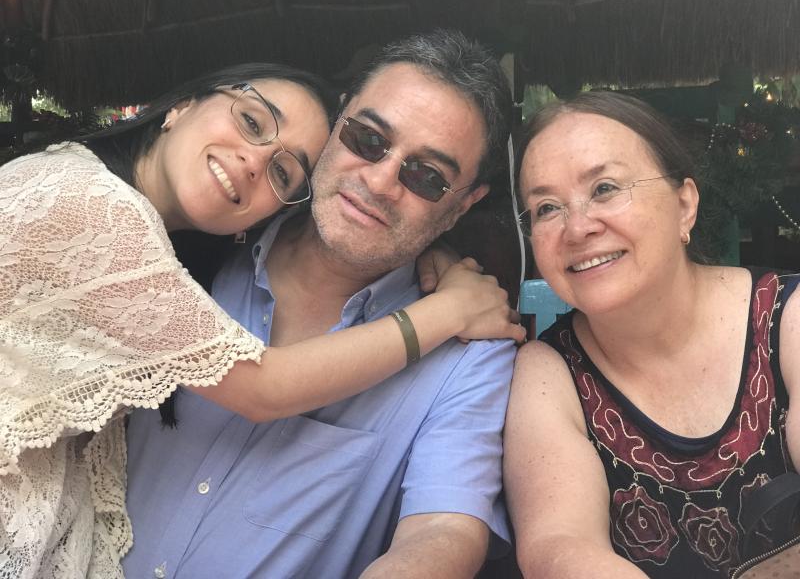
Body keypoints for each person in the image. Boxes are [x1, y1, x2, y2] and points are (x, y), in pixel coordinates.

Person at [0, 62, 523, 578]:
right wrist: (446, 310)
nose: (381, 180)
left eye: (427, 178)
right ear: (181, 105)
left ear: (461, 206)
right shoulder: (102, 213)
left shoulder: (182, 246)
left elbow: (443, 531)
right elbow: (264, 386)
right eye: (367, 139)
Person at [505, 91, 799, 578]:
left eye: (604, 188)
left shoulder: (787, 320)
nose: (576, 229)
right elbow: (559, 546)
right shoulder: (548, 372)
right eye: (547, 208)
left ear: (684, 205)